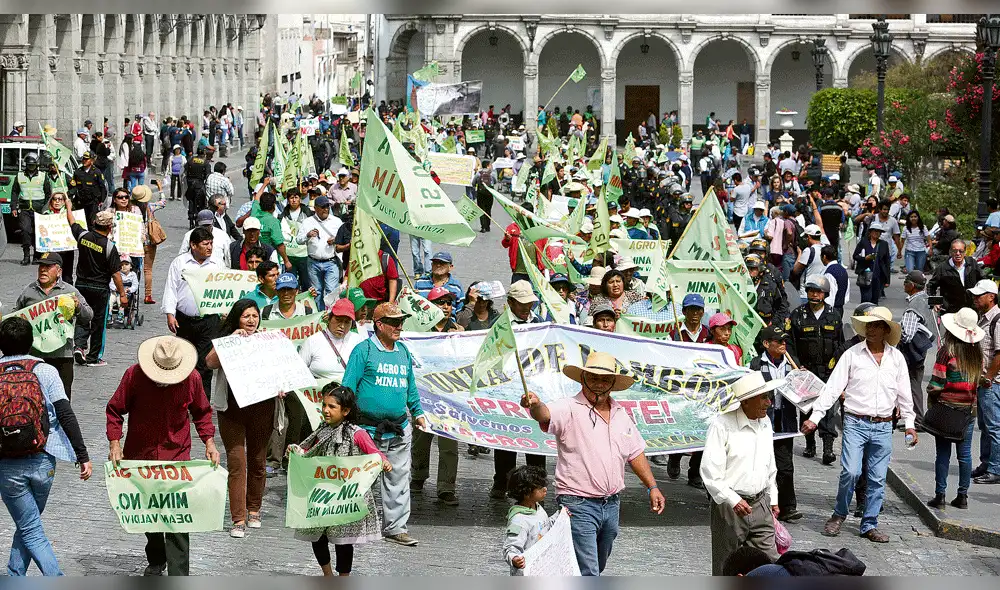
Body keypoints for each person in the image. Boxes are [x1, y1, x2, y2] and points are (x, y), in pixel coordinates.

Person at [520, 351, 665, 576]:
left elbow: (635, 452)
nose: (599, 384)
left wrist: (652, 486)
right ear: (583, 379)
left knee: (595, 563)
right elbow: (544, 415)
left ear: (612, 384)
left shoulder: (620, 414)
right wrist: (535, 405)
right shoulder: (568, 407)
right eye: (594, 378)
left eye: (605, 379)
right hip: (577, 502)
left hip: (611, 504)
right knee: (589, 570)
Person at [803, 307, 918, 543]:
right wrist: (815, 417)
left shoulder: (897, 359)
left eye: (876, 325)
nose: (871, 329)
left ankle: (869, 523)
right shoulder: (852, 354)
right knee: (851, 471)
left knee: (877, 478)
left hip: (884, 425)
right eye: (868, 325)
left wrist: (909, 424)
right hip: (856, 422)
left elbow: (905, 394)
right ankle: (839, 513)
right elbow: (832, 388)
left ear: (886, 330)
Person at [105, 335, 218, 576]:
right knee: (149, 513)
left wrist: (209, 442)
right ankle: (156, 558)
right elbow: (115, 409)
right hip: (141, 455)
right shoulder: (133, 376)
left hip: (176, 456)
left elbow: (202, 412)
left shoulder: (192, 379)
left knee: (177, 517)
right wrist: (115, 442)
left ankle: (179, 574)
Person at [0, 317, 91, 577]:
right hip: (43, 460)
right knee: (29, 524)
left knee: (29, 527)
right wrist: (82, 455)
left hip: (7, 464)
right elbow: (65, 414)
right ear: (31, 342)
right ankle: (15, 574)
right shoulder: (46, 371)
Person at [341, 303, 427, 547]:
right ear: (379, 325)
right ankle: (352, 524)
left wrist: (417, 412)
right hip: (367, 430)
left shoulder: (403, 352)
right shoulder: (363, 351)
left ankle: (396, 527)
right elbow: (347, 387)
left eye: (401, 321)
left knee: (398, 478)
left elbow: (410, 386)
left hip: (399, 428)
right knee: (360, 478)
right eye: (394, 322)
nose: (399, 326)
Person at [288, 384, 391, 576]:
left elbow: (374, 453)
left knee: (343, 540)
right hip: (323, 493)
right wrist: (297, 452)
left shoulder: (356, 433)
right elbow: (310, 451)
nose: (326, 410)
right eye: (324, 405)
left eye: (332, 407)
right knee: (317, 535)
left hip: (345, 497)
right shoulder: (322, 430)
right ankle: (327, 575)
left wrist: (383, 462)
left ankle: (343, 576)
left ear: (346, 411)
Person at [701, 371, 783, 575]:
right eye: (763, 397)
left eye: (769, 397)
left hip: (761, 503)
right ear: (746, 401)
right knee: (725, 563)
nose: (768, 403)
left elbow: (769, 464)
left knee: (771, 563)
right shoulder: (722, 425)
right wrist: (733, 499)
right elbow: (710, 472)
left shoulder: (765, 423)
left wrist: (773, 498)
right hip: (730, 507)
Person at [204, 299, 274, 539]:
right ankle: (238, 518)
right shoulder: (226, 340)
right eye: (246, 316)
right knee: (236, 463)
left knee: (257, 461)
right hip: (231, 410)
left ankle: (254, 508)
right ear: (237, 319)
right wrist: (230, 341)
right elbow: (210, 363)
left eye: (255, 316)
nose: (251, 321)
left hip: (262, 408)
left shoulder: (268, 340)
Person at [12, 253, 93, 399]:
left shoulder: (69, 291)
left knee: (61, 399)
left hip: (62, 356)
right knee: (33, 398)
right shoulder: (29, 291)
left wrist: (78, 306)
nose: (43, 270)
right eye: (41, 266)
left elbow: (88, 316)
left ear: (59, 271)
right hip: (35, 356)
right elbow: (16, 316)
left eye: (48, 267)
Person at [925, 307, 984, 510]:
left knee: (942, 453)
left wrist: (931, 396)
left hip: (946, 408)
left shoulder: (947, 351)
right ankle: (963, 496)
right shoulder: (976, 353)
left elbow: (937, 383)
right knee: (965, 454)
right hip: (968, 410)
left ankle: (940, 495)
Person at [787, 275, 844, 463]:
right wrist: (796, 364)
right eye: (811, 291)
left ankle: (828, 448)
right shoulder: (797, 315)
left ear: (825, 294)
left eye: (818, 291)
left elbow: (840, 344)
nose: (814, 294)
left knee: (828, 410)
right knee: (807, 409)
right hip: (805, 371)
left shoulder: (834, 315)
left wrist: (838, 367)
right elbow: (789, 343)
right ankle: (810, 444)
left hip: (828, 372)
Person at [749, 326, 802, 522]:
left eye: (784, 341)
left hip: (785, 421)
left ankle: (788, 506)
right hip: (763, 421)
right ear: (766, 344)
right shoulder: (755, 364)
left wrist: (804, 380)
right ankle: (762, 505)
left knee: (785, 466)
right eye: (778, 341)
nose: (783, 345)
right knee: (761, 463)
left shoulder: (792, 363)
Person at [162, 226, 223, 393]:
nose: (209, 247)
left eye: (211, 243)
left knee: (204, 364)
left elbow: (225, 288)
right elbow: (171, 288)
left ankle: (202, 402)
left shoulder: (217, 263)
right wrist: (170, 314)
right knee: (184, 360)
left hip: (209, 320)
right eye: (205, 244)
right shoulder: (180, 263)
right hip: (185, 320)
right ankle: (183, 398)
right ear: (193, 245)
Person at [65, 209, 126, 367]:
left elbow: (72, 222)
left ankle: (79, 346)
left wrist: (68, 206)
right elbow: (116, 274)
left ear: (94, 223)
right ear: (110, 227)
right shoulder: (109, 246)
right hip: (99, 288)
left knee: (82, 317)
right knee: (98, 323)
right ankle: (93, 358)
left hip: (81, 285)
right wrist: (123, 294)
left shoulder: (83, 236)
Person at [502, 465, 560, 576]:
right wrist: (514, 558)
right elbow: (511, 546)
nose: (545, 489)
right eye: (540, 487)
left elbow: (546, 526)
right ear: (527, 493)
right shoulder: (519, 520)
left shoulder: (537, 508)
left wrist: (560, 515)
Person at [971, 279, 1000, 485]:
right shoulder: (983, 318)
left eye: (979, 295)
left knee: (994, 427)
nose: (975, 298)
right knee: (985, 425)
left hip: (992, 383)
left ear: (991, 297)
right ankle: (986, 463)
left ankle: (996, 468)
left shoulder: (997, 320)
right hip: (983, 382)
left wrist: (989, 377)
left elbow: (999, 353)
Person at [299, 299, 367, 384]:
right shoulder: (312, 341)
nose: (342, 326)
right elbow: (299, 372)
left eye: (347, 322)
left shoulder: (359, 342)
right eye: (338, 320)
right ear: (329, 319)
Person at [899, 271, 936, 426]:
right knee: (914, 382)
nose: (904, 285)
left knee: (911, 384)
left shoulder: (914, 306)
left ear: (912, 285)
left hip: (911, 351)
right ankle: (914, 418)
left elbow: (907, 335)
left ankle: (917, 419)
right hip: (921, 349)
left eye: (906, 282)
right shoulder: (926, 299)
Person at [297, 196, 343, 310]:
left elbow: (345, 238)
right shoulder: (307, 222)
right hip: (313, 262)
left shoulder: (336, 221)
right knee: (316, 292)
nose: (325, 209)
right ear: (316, 208)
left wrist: (336, 239)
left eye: (327, 206)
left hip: (331, 261)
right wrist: (308, 235)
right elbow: (298, 239)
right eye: (322, 207)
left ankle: (331, 315)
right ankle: (318, 316)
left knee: (331, 291)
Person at [11, 153, 50, 265]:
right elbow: (14, 192)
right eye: (29, 165)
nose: (31, 167)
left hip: (39, 209)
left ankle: (37, 256)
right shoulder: (20, 176)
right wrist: (13, 207)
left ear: (37, 165)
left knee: (38, 232)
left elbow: (48, 193)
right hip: (24, 209)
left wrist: (46, 208)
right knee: (25, 231)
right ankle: (26, 255)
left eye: (33, 165)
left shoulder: (43, 176)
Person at [928, 240, 982, 314]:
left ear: (965, 252)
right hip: (950, 311)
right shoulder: (942, 268)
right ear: (950, 251)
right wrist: (935, 302)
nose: (958, 254)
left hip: (971, 310)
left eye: (961, 251)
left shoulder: (972, 264)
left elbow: (982, 281)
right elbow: (931, 286)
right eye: (955, 251)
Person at [68, 151, 107, 227]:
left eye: (87, 159)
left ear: (92, 160)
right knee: (81, 221)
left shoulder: (97, 172)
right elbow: (73, 186)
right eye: (83, 159)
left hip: (93, 201)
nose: (84, 161)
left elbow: (102, 187)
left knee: (92, 222)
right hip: (81, 201)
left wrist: (102, 200)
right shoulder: (78, 172)